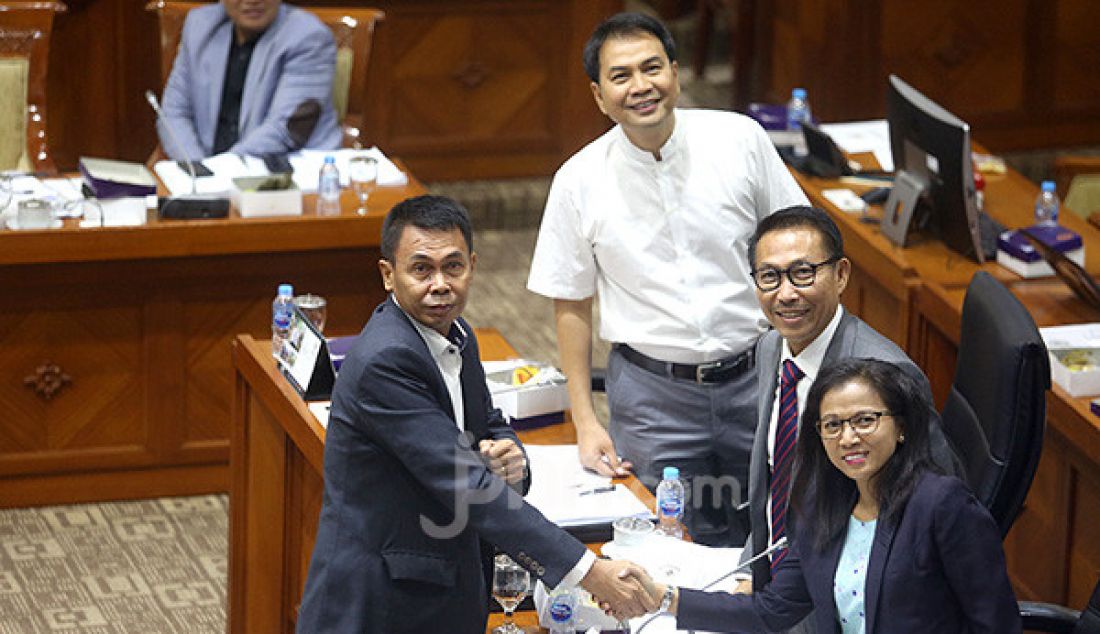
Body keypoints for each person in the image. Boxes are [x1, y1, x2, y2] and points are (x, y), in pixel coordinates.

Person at [296, 195, 654, 633]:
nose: (441, 284)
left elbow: (490, 424)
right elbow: (469, 486)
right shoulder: (385, 362)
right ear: (388, 275)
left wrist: (513, 459)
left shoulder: (458, 333)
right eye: (421, 269)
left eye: (453, 266)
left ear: (473, 266)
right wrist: (590, 572)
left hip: (443, 582)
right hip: (380, 600)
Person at [526, 12, 808, 546]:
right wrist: (586, 421)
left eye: (652, 68)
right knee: (664, 546)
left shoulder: (740, 140)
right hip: (654, 398)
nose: (641, 87)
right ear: (599, 95)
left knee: (782, 533)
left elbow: (802, 240)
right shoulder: (577, 180)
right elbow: (572, 305)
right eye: (621, 75)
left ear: (676, 74)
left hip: (760, 376)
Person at [638, 358, 1023, 633]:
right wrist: (659, 596)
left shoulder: (942, 505)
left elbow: (996, 623)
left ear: (901, 427)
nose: (849, 438)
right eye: (833, 425)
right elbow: (771, 611)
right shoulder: (821, 505)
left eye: (865, 420)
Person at [734, 206, 958, 625]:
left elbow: (938, 503)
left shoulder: (885, 374)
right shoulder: (772, 348)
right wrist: (753, 570)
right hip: (774, 582)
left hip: (848, 602)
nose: (786, 294)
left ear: (840, 275)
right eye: (770, 277)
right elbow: (774, 479)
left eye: (803, 273)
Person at [157, 0, 342, 161]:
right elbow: (174, 113)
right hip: (207, 174)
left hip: (282, 174)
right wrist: (196, 168)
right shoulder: (200, 26)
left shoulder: (308, 37)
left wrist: (218, 173)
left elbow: (283, 131)